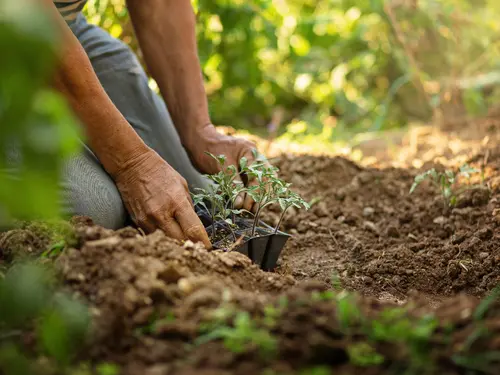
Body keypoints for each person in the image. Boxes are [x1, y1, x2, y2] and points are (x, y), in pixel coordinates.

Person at [41, 0, 268, 249]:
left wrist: (199, 131)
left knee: (201, 197)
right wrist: (130, 164)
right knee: (96, 212)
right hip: (17, 37)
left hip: (68, 29)